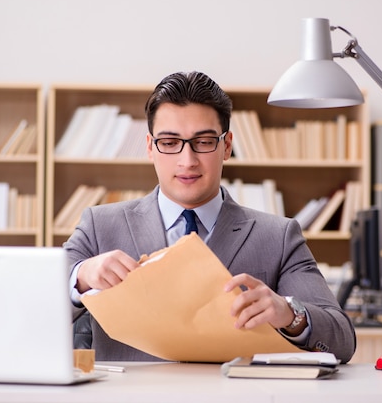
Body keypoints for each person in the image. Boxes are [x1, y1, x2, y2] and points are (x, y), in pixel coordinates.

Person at [65, 71, 356, 363]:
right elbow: (30, 309)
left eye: (203, 142)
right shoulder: (99, 225)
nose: (187, 160)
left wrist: (291, 315)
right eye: (169, 142)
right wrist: (81, 276)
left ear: (227, 145)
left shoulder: (278, 236)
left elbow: (342, 340)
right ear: (150, 147)